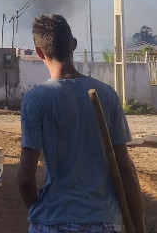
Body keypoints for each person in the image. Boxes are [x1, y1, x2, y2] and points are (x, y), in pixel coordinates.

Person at [17, 14, 145, 233]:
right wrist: (139, 227)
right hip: (104, 222)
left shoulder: (37, 99)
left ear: (38, 52)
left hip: (54, 221)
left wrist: (40, 212)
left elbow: (25, 179)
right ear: (73, 44)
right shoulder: (107, 94)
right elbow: (125, 168)